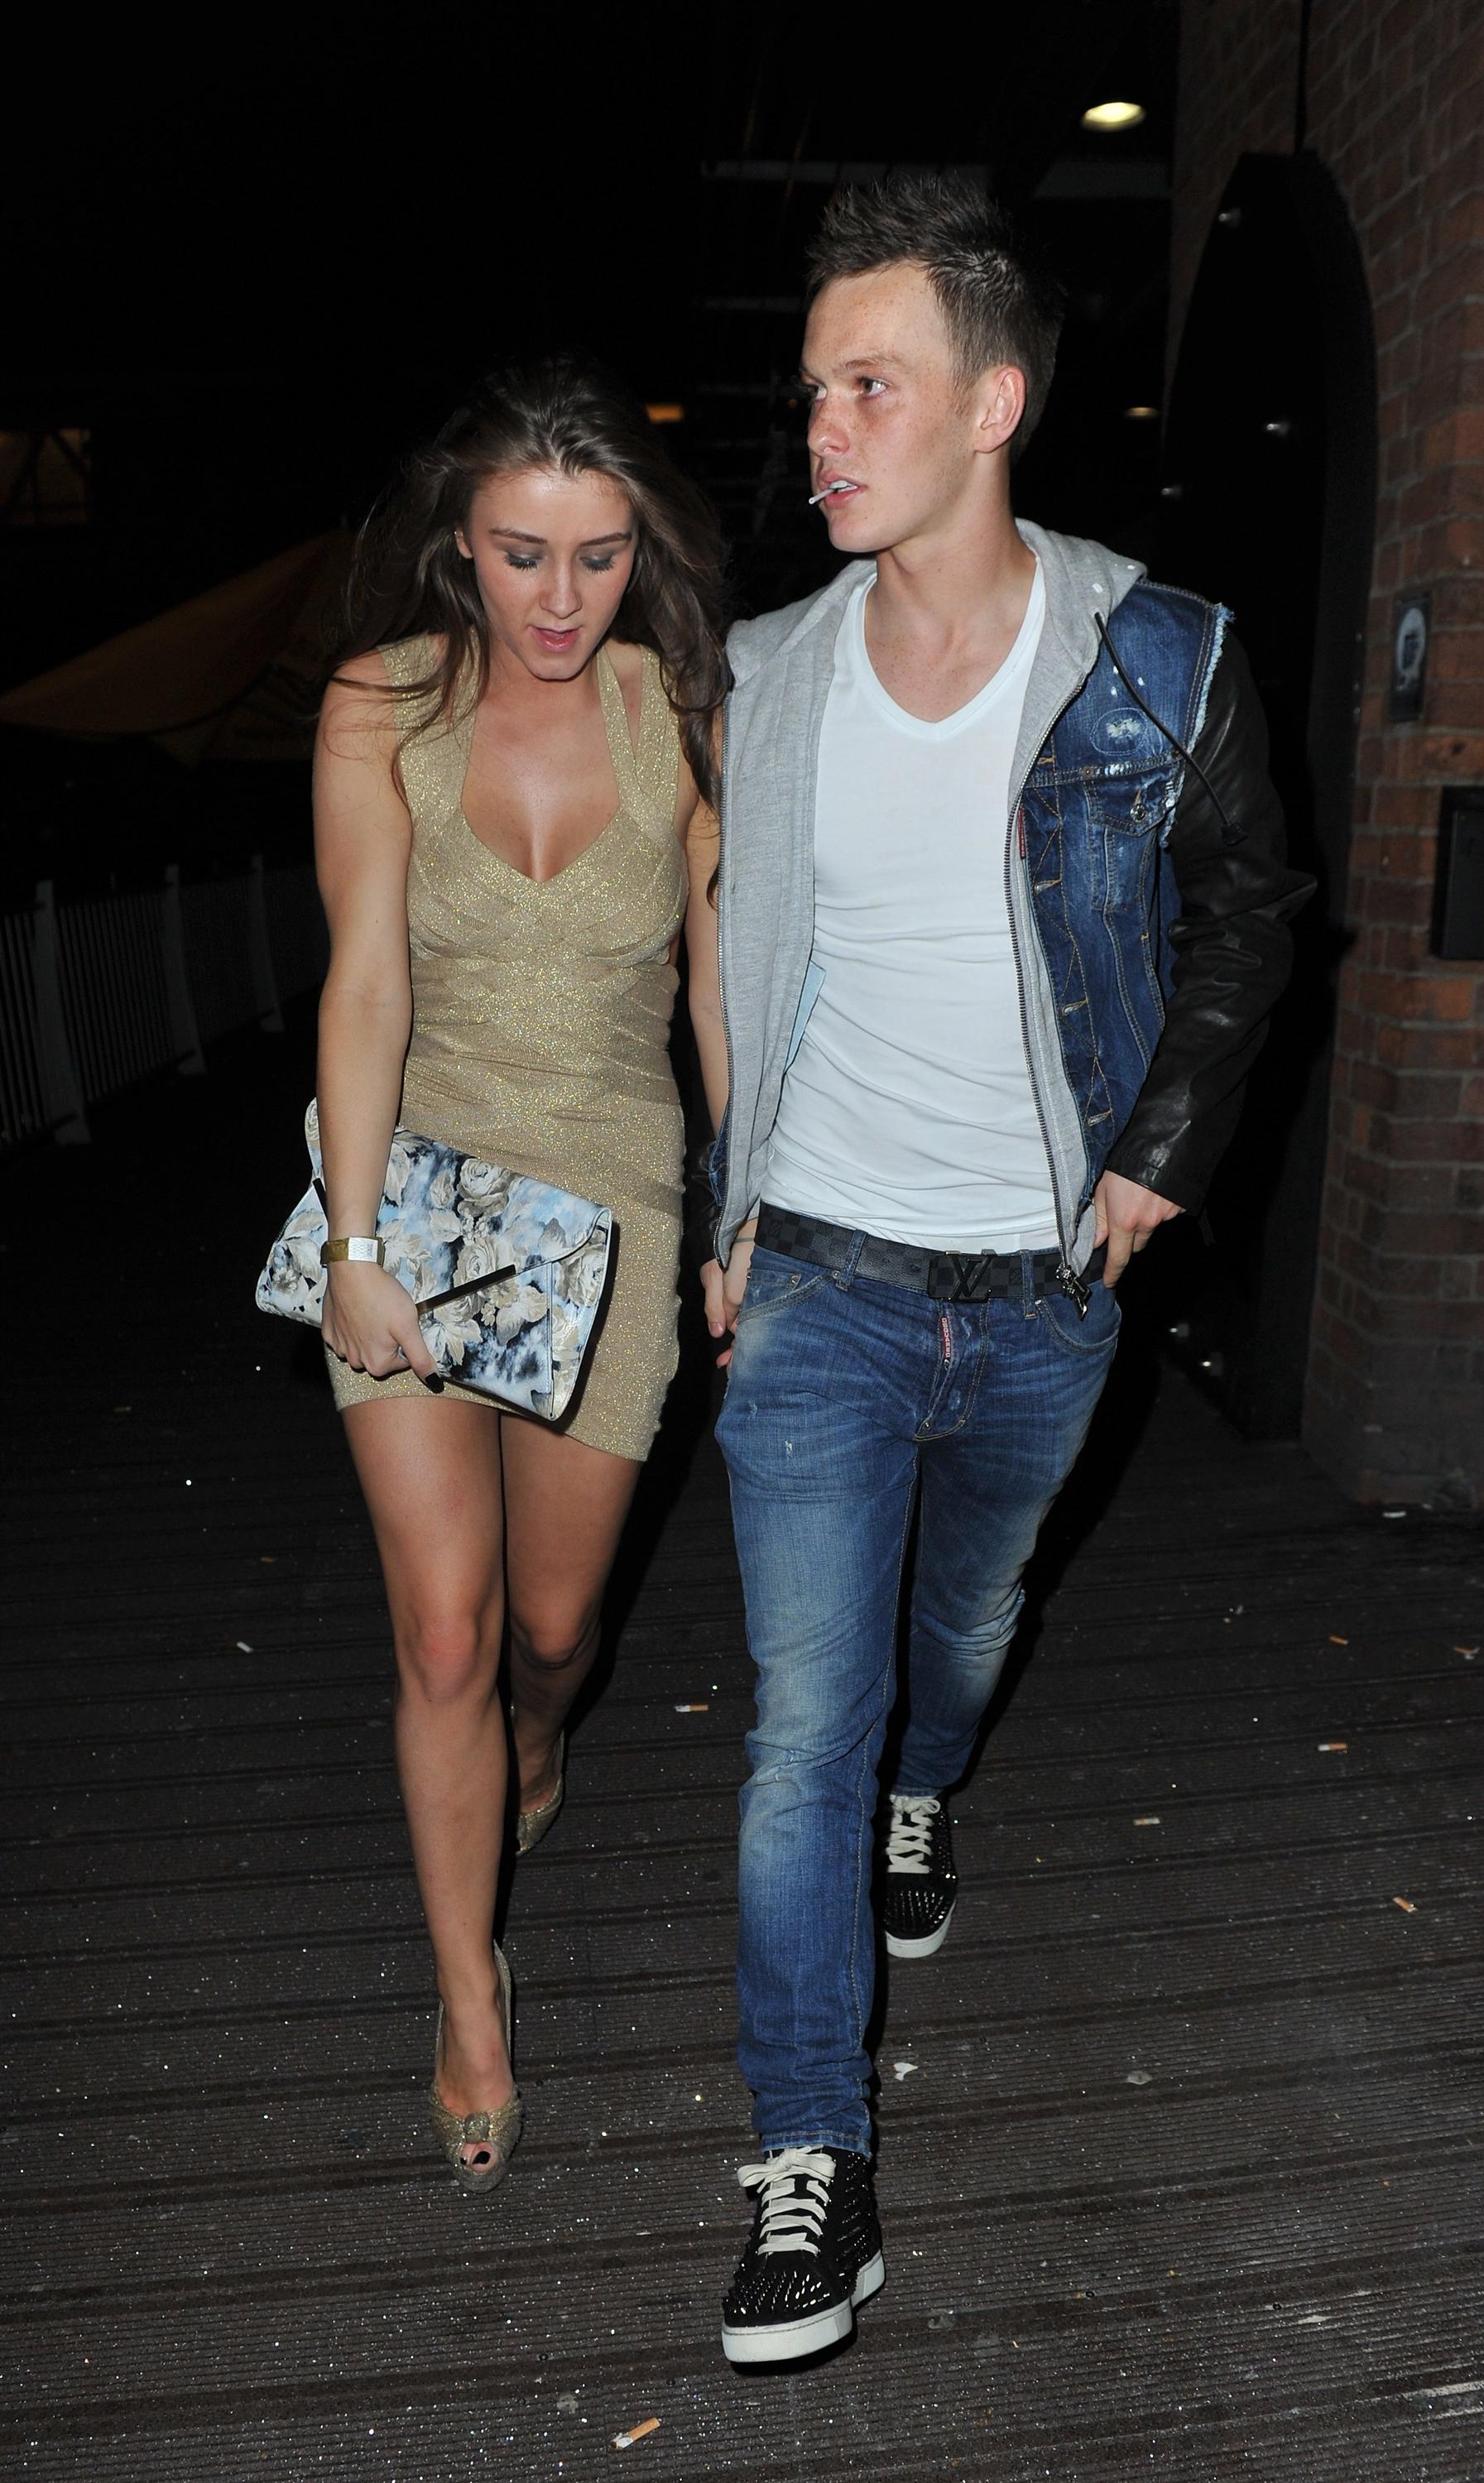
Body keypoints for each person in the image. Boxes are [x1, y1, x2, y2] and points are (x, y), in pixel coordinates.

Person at [691, 174, 1313, 2360]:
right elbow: (723, 951)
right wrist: (729, 1207)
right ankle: (811, 2162)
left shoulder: (1157, 653)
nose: (823, 430)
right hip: (826, 1281)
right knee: (799, 1728)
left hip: (1046, 1286)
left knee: (956, 1641)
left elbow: (1256, 909)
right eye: (813, 391)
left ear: (994, 404)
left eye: (871, 387)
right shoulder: (767, 677)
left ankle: (928, 1798)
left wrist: (1161, 1157)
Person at [314, 360, 724, 2192]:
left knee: (550, 1637)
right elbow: (365, 984)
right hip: (417, 1190)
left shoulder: (680, 707)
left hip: (612, 1205)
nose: (561, 600)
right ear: (457, 545)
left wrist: (744, 1215)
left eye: (599, 555)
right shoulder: (380, 705)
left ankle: (540, 1738)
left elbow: (715, 994)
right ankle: (469, 1997)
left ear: (643, 553)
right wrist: (352, 1243)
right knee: (445, 1632)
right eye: (521, 554)